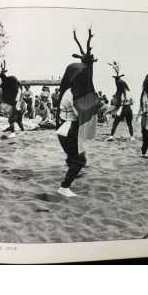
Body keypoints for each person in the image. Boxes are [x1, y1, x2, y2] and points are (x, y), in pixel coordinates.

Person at [55, 27, 100, 197]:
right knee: (79, 159)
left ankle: (72, 171)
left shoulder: (66, 92)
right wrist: (93, 107)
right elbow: (79, 112)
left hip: (65, 128)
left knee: (75, 155)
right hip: (69, 128)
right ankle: (64, 187)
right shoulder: (72, 95)